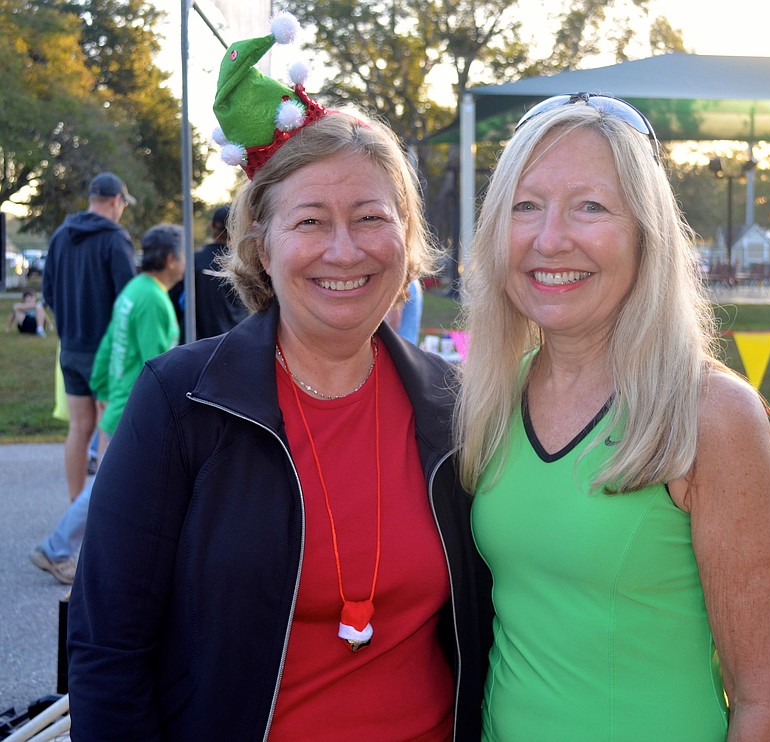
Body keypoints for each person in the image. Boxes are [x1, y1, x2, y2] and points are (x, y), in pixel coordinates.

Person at [68, 15, 490, 741]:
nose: (344, 249)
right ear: (261, 245)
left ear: (407, 240)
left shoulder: (454, 410)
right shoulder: (181, 402)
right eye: (310, 222)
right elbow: (108, 650)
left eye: (370, 217)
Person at [454, 93, 770, 740]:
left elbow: (764, 700)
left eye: (591, 206)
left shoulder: (710, 414)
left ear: (647, 233)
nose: (551, 238)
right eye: (526, 206)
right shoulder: (489, 395)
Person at [29, 224, 185, 585]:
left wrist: (102, 391)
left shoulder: (133, 290)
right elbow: (158, 365)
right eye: (182, 254)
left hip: (119, 404)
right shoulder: (153, 299)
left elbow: (107, 348)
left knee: (117, 489)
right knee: (106, 489)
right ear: (171, 258)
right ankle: (56, 549)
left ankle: (117, 560)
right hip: (134, 410)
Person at [42, 171, 137, 503]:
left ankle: (74, 507)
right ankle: (99, 513)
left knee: (78, 429)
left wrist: (68, 324)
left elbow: (48, 293)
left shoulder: (60, 236)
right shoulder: (115, 239)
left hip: (69, 348)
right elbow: (129, 298)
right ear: (116, 201)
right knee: (107, 429)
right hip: (107, 351)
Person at [194, 203, 250, 338]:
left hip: (199, 342)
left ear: (211, 226)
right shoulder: (244, 264)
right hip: (235, 339)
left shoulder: (194, 262)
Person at [385, 278, 423, 344]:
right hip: (408, 345)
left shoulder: (401, 280)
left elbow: (392, 323)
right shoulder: (413, 281)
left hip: (398, 346)